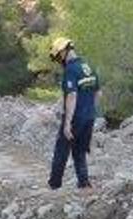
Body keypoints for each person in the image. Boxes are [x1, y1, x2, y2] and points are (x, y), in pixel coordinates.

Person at [47, 36, 102, 191]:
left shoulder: (70, 70)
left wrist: (67, 123)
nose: (59, 61)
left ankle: (54, 185)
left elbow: (72, 96)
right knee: (79, 150)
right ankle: (84, 183)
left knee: (61, 150)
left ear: (63, 52)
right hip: (89, 116)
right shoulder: (88, 66)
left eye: (58, 57)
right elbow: (99, 93)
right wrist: (92, 112)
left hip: (75, 117)